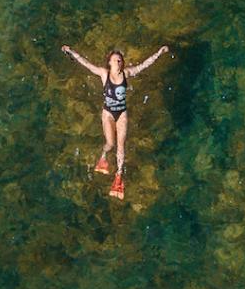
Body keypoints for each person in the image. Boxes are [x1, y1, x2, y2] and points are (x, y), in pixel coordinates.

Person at [61, 43, 169, 199]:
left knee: (120, 145)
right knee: (110, 144)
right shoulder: (104, 74)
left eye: (120, 61)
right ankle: (103, 156)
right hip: (108, 114)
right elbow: (86, 64)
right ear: (109, 63)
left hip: (122, 114)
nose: (118, 63)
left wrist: (159, 52)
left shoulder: (127, 73)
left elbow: (144, 65)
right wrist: (71, 51)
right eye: (115, 60)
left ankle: (118, 176)